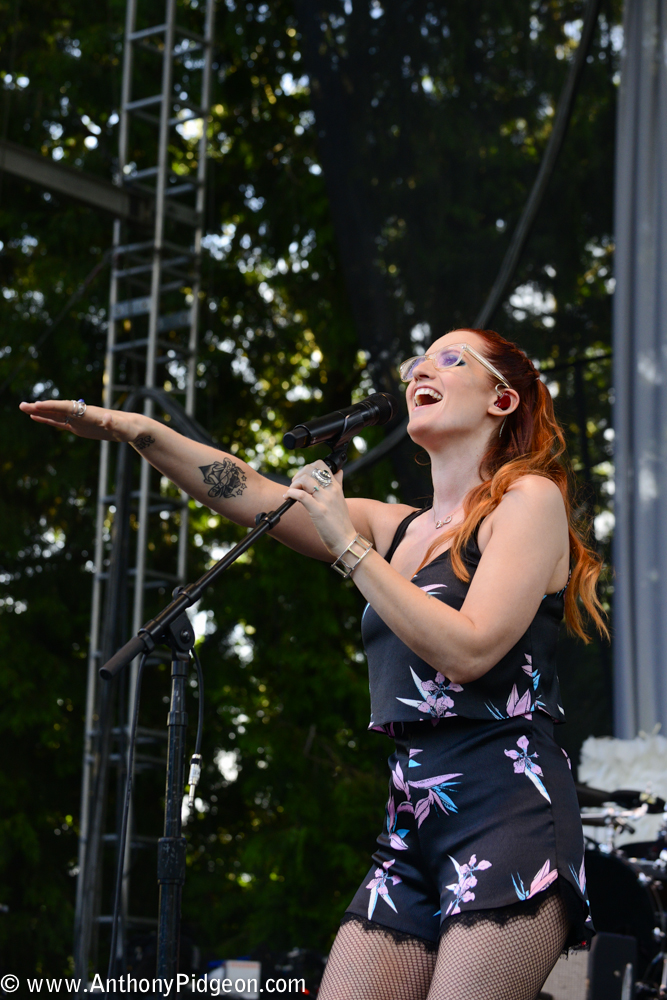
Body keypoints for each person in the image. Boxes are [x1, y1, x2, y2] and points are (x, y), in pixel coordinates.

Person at [20, 327, 606, 1000]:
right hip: (411, 820)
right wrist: (134, 429)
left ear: (501, 399)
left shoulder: (527, 501)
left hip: (507, 812)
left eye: (450, 359)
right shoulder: (397, 527)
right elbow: (245, 493)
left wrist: (347, 548)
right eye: (417, 360)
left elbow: (470, 650)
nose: (422, 368)